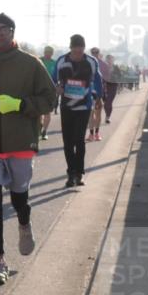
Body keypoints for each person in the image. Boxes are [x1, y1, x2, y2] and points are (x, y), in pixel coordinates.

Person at [0, 13, 56, 285]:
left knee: (19, 200)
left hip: (21, 142)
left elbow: (50, 99)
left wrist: (20, 105)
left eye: (4, 28)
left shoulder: (31, 64)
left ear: (13, 33)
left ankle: (24, 222)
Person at [52, 35, 102, 188]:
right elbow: (52, 79)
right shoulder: (61, 61)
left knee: (79, 140)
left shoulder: (91, 62)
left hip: (84, 106)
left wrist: (98, 97)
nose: (78, 51)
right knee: (68, 142)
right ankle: (71, 174)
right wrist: (57, 88)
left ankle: (79, 174)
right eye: (75, 48)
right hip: (66, 106)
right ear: (71, 48)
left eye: (81, 48)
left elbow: (97, 80)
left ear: (84, 48)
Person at [88, 47, 107, 142]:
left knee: (98, 114)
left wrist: (102, 94)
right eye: (93, 52)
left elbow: (107, 77)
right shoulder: (87, 63)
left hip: (99, 93)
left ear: (99, 53)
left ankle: (97, 133)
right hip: (89, 93)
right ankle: (91, 134)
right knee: (90, 115)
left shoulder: (103, 64)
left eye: (96, 52)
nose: (94, 54)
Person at [39, 46, 57, 140]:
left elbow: (58, 76)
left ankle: (44, 131)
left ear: (52, 53)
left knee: (47, 112)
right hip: (38, 89)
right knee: (38, 111)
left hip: (50, 90)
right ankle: (39, 127)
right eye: (46, 51)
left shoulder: (55, 63)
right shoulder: (38, 61)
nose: (48, 53)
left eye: (50, 52)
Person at [103, 54, 120, 124]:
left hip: (113, 86)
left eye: (111, 59)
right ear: (106, 60)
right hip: (104, 86)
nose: (110, 60)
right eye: (108, 59)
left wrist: (113, 75)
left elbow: (120, 76)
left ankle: (108, 117)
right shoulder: (104, 67)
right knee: (105, 104)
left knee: (109, 102)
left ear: (113, 60)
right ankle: (107, 114)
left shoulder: (116, 67)